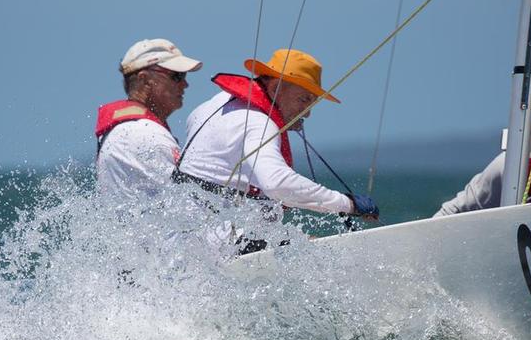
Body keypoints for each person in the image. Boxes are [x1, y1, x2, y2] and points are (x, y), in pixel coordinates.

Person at [175, 49, 378, 232]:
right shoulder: (258, 123)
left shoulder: (214, 103)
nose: (307, 114)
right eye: (303, 100)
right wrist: (346, 203)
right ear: (275, 88)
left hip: (186, 226)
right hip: (211, 235)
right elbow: (277, 183)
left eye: (312, 103)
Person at [95, 39, 202, 198]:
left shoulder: (129, 130)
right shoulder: (143, 133)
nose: (185, 84)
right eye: (177, 76)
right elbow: (189, 208)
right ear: (145, 80)